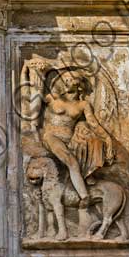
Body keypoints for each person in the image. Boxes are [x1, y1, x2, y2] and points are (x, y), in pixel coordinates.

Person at [41, 71, 113, 208]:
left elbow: (94, 124)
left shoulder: (83, 104)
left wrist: (107, 138)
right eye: (65, 79)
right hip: (51, 137)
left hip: (69, 139)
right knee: (71, 161)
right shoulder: (53, 98)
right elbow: (30, 96)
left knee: (89, 145)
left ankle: (84, 187)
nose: (67, 82)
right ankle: (84, 196)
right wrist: (27, 71)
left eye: (71, 79)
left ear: (79, 84)